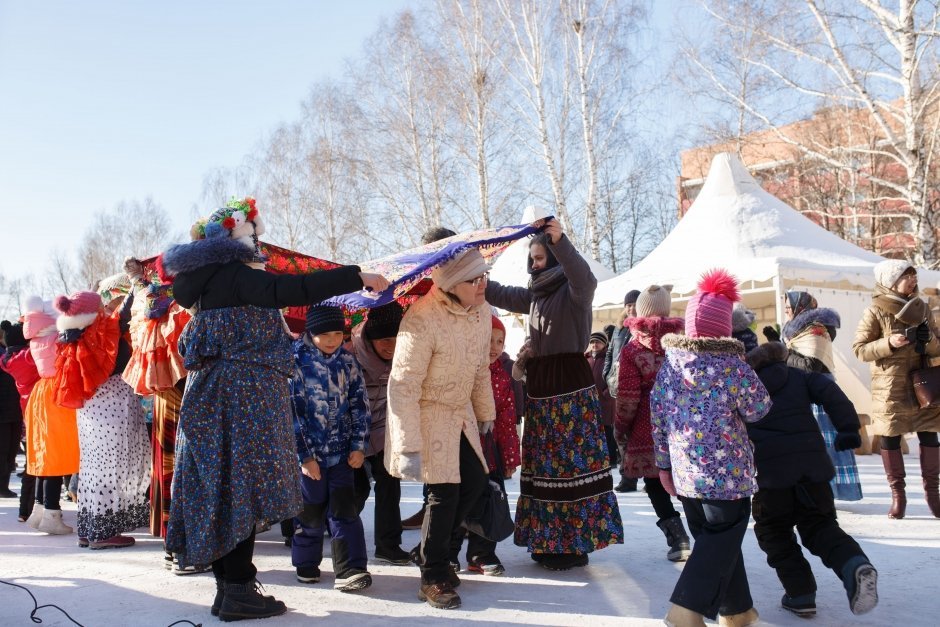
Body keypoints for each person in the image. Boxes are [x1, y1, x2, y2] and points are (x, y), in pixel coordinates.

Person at [161, 197, 388, 621]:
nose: (262, 247)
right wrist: (356, 276)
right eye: (257, 238)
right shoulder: (237, 277)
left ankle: (233, 588)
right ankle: (237, 590)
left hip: (212, 395)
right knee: (242, 490)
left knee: (224, 488)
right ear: (240, 240)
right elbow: (297, 289)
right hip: (244, 397)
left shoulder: (207, 284)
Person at [485, 218, 623, 571]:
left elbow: (585, 277)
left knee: (570, 466)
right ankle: (546, 542)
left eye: (540, 258)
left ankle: (574, 544)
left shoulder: (574, 290)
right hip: (543, 383)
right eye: (531, 259)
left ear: (556, 259)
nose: (534, 264)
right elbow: (497, 293)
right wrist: (472, 272)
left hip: (570, 386)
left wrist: (560, 240)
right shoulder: (535, 294)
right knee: (544, 465)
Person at [651, 269, 770, 627]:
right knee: (722, 538)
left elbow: (657, 417)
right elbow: (759, 407)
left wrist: (663, 466)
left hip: (686, 475)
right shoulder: (732, 366)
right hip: (727, 476)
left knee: (714, 543)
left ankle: (737, 612)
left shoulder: (670, 366)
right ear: (725, 328)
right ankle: (685, 609)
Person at [385, 247, 494, 610]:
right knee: (444, 493)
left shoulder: (481, 313)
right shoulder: (422, 318)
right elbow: (403, 384)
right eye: (475, 280)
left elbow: (481, 368)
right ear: (451, 284)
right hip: (427, 412)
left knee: (476, 482)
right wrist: (407, 444)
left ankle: (437, 552)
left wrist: (485, 410)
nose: (483, 285)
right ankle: (433, 574)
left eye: (485, 277)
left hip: (459, 413)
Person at [745, 341, 878, 618]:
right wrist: (848, 429)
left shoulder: (746, 387)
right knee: (819, 525)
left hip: (772, 478)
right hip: (813, 471)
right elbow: (832, 393)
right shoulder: (800, 377)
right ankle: (853, 564)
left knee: (773, 532)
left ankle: (800, 593)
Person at [52, 288, 150, 549]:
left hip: (91, 411)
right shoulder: (99, 333)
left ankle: (90, 528)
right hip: (112, 407)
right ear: (92, 311)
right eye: (100, 307)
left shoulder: (72, 337)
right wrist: (134, 288)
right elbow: (123, 320)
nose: (104, 310)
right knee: (110, 466)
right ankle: (103, 532)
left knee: (94, 467)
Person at [290, 305, 373, 593]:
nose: (331, 340)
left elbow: (359, 405)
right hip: (310, 456)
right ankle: (306, 563)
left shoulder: (348, 362)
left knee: (344, 510)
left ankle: (350, 568)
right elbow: (293, 414)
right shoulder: (296, 362)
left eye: (338, 333)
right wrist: (305, 456)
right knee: (310, 511)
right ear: (310, 332)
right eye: (324, 334)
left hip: (341, 455)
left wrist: (359, 445)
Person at [853, 260, 940, 519]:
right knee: (890, 438)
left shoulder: (923, 308)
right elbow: (860, 349)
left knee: (929, 435)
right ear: (891, 281)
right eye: (907, 276)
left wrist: (929, 341)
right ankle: (898, 497)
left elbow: (938, 347)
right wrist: (889, 342)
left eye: (914, 276)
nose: (913, 281)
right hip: (890, 387)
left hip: (922, 385)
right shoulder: (875, 311)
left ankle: (934, 496)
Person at [616, 285, 691, 563]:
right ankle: (703, 530)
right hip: (684, 423)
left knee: (654, 483)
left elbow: (627, 396)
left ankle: (678, 537)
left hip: (647, 425)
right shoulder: (684, 342)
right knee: (686, 479)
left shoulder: (633, 348)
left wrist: (621, 427)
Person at [449, 315, 521, 576]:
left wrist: (510, 456)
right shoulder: (460, 370)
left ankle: (482, 553)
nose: (494, 346)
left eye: (499, 341)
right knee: (456, 503)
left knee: (490, 503)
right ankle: (448, 553)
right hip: (460, 451)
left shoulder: (502, 378)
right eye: (488, 340)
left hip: (489, 454)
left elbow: (507, 418)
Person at [774, 290, 862, 502]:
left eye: (789, 308)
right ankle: (811, 491)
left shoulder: (815, 329)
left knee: (824, 445)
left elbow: (811, 365)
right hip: (800, 393)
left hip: (819, 395)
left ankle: (828, 491)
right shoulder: (792, 330)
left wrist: (782, 353)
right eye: (785, 309)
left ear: (800, 307)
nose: (786, 313)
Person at [400, 226, 459, 532]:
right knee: (436, 469)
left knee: (455, 473)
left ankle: (451, 531)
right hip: (426, 391)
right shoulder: (420, 285)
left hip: (457, 393)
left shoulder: (468, 285)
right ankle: (432, 519)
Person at [351, 301, 411, 565]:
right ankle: (338, 533)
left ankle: (388, 544)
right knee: (356, 490)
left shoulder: (406, 357)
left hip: (385, 430)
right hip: (352, 431)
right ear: (371, 338)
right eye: (385, 339)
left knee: (389, 481)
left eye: (397, 338)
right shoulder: (350, 358)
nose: (391, 345)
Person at [20, 296, 79, 535]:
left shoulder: (35, 337)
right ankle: (52, 513)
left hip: (41, 391)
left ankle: (40, 509)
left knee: (46, 453)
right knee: (57, 454)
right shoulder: (55, 335)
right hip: (58, 392)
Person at [606, 289, 640, 493]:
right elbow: (610, 352)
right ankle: (627, 477)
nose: (631, 308)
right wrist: (606, 374)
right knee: (621, 433)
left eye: (635, 304)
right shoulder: (619, 328)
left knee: (640, 433)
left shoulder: (644, 326)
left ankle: (648, 476)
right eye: (628, 304)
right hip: (618, 388)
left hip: (638, 388)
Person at [1, 320, 36, 500]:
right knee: (5, 450)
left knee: (11, 450)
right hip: (7, 411)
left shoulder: (10, 357)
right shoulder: (18, 357)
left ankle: (4, 485)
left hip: (15, 409)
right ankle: (3, 486)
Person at [586, 331, 616, 468]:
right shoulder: (585, 359)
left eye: (597, 342)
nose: (594, 344)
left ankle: (611, 458)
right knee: (591, 430)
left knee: (606, 430)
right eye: (592, 342)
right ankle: (594, 458)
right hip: (588, 401)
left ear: (604, 344)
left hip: (604, 401)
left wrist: (606, 393)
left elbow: (613, 377)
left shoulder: (608, 358)